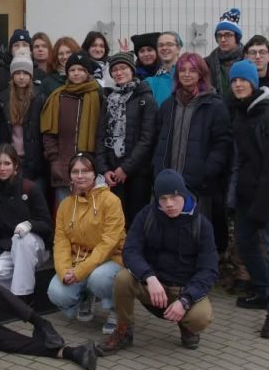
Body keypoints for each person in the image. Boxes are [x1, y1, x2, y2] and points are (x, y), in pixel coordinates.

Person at [97, 169, 217, 354]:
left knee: (201, 317)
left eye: (174, 197)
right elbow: (130, 251)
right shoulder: (147, 215)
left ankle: (187, 326)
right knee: (122, 278)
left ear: (183, 193)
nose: (169, 204)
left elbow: (208, 270)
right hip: (153, 288)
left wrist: (185, 300)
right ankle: (123, 331)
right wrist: (149, 278)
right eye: (163, 198)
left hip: (183, 290)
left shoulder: (201, 225)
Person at [228, 59, 269, 339]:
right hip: (246, 196)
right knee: (246, 244)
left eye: (243, 80)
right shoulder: (242, 114)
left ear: (254, 83)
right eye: (234, 80)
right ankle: (264, 290)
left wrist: (263, 206)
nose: (238, 84)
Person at [151, 53, 231, 253]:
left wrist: (204, 172)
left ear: (201, 73)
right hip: (169, 182)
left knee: (197, 235)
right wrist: (158, 170)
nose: (187, 74)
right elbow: (158, 142)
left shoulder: (214, 105)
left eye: (192, 70)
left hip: (199, 185)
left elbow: (222, 144)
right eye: (182, 70)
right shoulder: (168, 105)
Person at [47, 152, 125, 336]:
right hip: (78, 260)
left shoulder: (111, 201)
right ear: (70, 176)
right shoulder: (65, 204)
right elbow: (61, 241)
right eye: (75, 172)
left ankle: (117, 310)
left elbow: (109, 242)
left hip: (111, 259)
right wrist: (64, 270)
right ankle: (85, 295)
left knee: (98, 278)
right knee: (56, 292)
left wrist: (81, 271)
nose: (80, 176)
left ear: (94, 174)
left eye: (85, 171)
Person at [0, 144, 53, 298]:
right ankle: (15, 287)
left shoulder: (30, 188)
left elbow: (47, 224)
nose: (2, 168)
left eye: (7, 163)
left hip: (34, 247)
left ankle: (22, 297)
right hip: (8, 250)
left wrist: (30, 224)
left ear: (16, 166)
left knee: (21, 239)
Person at [95, 51, 157, 228]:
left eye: (123, 68)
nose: (119, 72)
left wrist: (126, 168)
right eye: (114, 69)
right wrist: (105, 169)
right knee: (114, 221)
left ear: (132, 70)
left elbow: (147, 138)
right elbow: (100, 136)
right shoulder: (109, 99)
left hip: (138, 173)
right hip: (112, 173)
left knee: (137, 220)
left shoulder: (146, 99)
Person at [41, 51, 104, 205]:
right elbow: (49, 134)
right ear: (67, 73)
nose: (77, 73)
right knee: (65, 214)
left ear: (88, 73)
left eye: (81, 70)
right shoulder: (58, 97)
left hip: (91, 168)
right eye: (72, 70)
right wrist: (54, 160)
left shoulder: (98, 96)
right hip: (63, 167)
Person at [0, 53, 46, 188]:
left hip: (34, 161)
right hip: (8, 159)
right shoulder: (1, 99)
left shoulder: (39, 98)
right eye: (17, 73)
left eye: (25, 73)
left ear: (31, 76)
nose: (21, 77)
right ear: (12, 75)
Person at [204, 7, 244, 96]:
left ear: (236, 38)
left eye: (228, 35)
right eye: (219, 35)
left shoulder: (247, 60)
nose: (223, 39)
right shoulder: (208, 63)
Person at [147, 32, 183, 107]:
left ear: (178, 48)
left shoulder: (189, 76)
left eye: (169, 44)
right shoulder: (150, 82)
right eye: (161, 45)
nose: (164, 48)